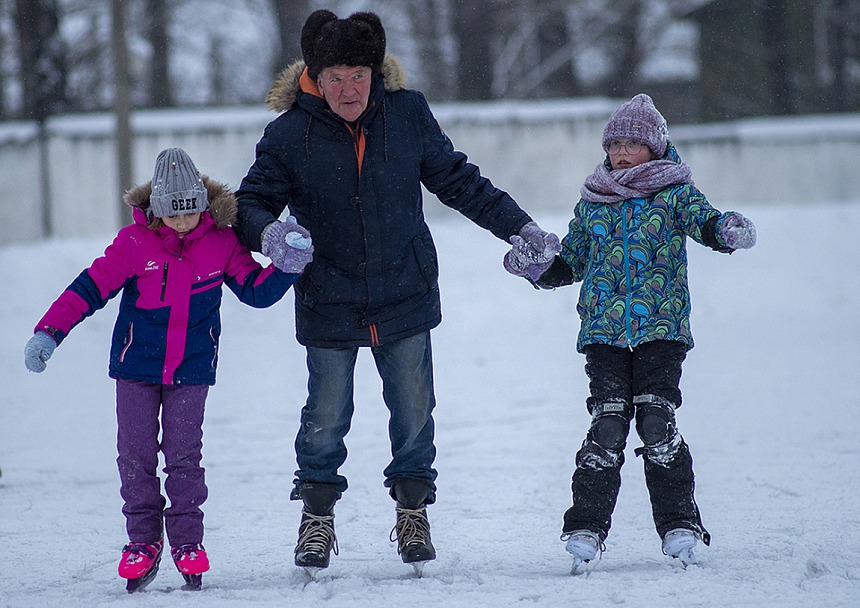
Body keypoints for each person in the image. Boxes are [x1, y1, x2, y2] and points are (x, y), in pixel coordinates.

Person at [234, 9, 559, 575]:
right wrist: (269, 232)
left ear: (376, 71)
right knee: (326, 415)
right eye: (334, 76)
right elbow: (249, 202)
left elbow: (460, 181)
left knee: (413, 411)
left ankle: (413, 512)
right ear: (313, 76)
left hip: (403, 289)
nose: (347, 88)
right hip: (327, 295)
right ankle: (316, 518)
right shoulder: (289, 134)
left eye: (357, 73)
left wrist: (521, 228)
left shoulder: (406, 115)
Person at [23, 148, 308, 592]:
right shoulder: (134, 245)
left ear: (201, 204)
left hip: (191, 369)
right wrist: (49, 332)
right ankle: (142, 541)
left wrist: (287, 267)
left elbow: (255, 291)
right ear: (155, 208)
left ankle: (187, 542)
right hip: (136, 367)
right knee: (134, 455)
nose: (181, 222)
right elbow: (87, 289)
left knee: (183, 457)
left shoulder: (221, 242)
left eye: (190, 211)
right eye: (172, 214)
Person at [505, 94, 757, 571]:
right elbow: (571, 261)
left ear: (655, 148)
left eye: (633, 144)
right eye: (615, 143)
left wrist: (725, 231)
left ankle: (679, 523)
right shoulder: (594, 200)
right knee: (607, 426)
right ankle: (586, 526)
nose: (622, 152)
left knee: (656, 421)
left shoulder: (675, 193)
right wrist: (535, 268)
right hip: (603, 333)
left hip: (661, 327)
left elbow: (705, 224)